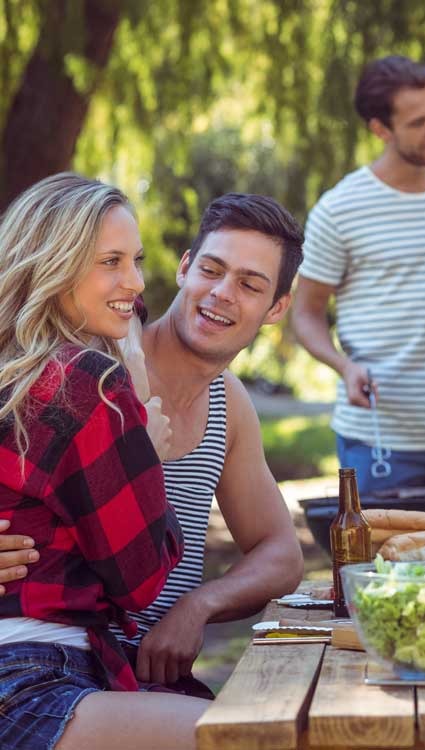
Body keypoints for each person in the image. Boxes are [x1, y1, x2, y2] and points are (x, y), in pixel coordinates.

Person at [0, 192, 307, 694]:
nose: (222, 293)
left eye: (250, 284)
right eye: (211, 269)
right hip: (60, 667)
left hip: (140, 680)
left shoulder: (229, 404)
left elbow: (281, 553)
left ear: (276, 308)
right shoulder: (97, 360)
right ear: (185, 268)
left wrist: (198, 606)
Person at [0, 173, 204, 748]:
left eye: (135, 261)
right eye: (109, 262)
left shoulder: (21, 376)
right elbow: (139, 580)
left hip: (38, 672)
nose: (135, 283)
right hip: (33, 677)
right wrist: (150, 458)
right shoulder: (89, 383)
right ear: (53, 263)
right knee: (256, 736)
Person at [292, 55, 425, 493]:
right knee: (377, 564)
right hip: (376, 441)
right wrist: (342, 365)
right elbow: (306, 313)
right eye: (418, 122)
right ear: (381, 129)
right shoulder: (338, 210)